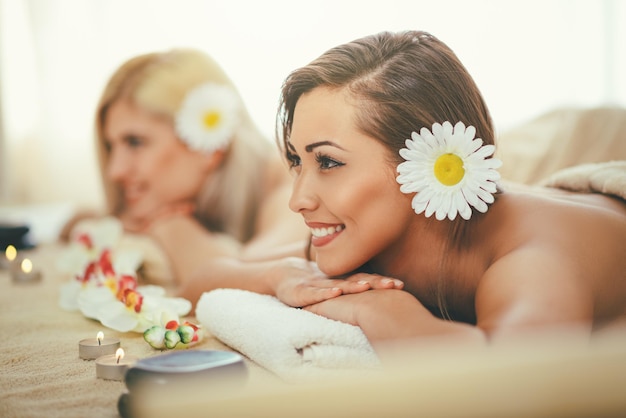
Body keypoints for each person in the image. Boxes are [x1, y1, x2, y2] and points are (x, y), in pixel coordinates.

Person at [274, 30, 626, 346]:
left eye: (329, 162)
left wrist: (383, 313)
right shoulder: (363, 234)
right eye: (296, 160)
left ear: (429, 162)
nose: (298, 200)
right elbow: (226, 267)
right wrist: (277, 277)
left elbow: (517, 388)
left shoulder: (534, 262)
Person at [65, 48, 317, 305]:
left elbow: (251, 276)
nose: (115, 170)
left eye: (135, 142)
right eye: (111, 146)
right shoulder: (189, 193)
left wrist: (172, 227)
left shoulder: (289, 180)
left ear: (208, 148)